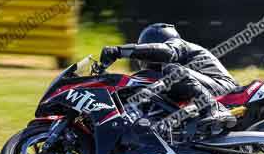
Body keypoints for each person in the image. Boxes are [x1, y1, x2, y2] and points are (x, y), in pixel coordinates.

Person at [100, 23, 238, 135]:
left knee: (174, 71)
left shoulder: (179, 44)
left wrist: (119, 51)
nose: (145, 58)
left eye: (147, 52)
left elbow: (167, 52)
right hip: (204, 90)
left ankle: (215, 110)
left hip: (224, 89)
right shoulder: (168, 77)